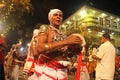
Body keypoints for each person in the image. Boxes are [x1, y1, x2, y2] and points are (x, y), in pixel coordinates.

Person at [28, 9, 82, 80]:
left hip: (62, 70)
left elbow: (67, 54)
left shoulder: (63, 34)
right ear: (50, 17)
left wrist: (75, 49)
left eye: (60, 15)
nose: (58, 17)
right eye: (55, 15)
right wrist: (66, 42)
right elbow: (40, 48)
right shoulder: (45, 28)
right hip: (48, 69)